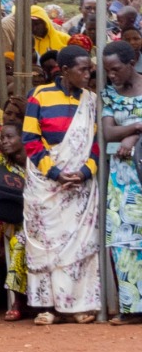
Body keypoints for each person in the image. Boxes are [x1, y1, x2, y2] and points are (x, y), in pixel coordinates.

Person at [21, 52, 103, 323]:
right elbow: (31, 140)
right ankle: (48, 307)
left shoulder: (91, 100)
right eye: (83, 70)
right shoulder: (40, 96)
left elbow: (96, 142)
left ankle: (80, 305)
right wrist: (55, 173)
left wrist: (84, 171)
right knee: (44, 244)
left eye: (89, 70)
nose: (88, 75)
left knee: (82, 243)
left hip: (81, 185)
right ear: (65, 70)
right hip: (46, 186)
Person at [102, 47, 142, 318]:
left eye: (116, 68)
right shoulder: (109, 94)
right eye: (107, 69)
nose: (111, 74)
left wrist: (130, 137)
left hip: (138, 169)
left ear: (132, 62)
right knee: (123, 240)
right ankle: (132, 308)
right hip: (122, 178)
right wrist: (136, 129)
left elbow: (118, 130)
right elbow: (108, 132)